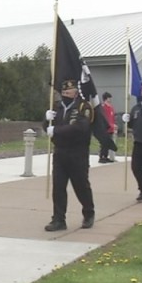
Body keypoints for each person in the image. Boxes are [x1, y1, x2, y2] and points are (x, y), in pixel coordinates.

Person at [43, 78, 96, 231]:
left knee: (81, 186)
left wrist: (57, 130)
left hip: (77, 153)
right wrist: (47, 120)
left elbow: (81, 128)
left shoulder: (83, 107)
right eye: (63, 92)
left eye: (68, 92)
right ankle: (58, 219)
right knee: (58, 187)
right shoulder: (57, 107)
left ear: (75, 92)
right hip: (60, 152)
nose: (65, 94)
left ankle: (88, 213)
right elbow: (48, 128)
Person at [98, 92, 119, 163]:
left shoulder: (111, 107)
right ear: (106, 99)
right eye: (109, 98)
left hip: (111, 128)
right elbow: (104, 118)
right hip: (105, 128)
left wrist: (114, 124)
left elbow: (112, 118)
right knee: (104, 143)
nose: (110, 99)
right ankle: (102, 156)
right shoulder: (103, 107)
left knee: (108, 143)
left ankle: (106, 156)